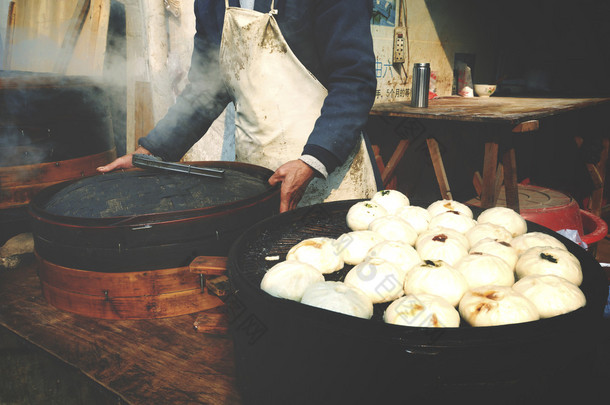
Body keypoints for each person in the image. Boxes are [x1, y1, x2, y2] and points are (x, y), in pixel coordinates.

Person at [98, 0, 381, 212]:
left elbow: (354, 81)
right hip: (261, 183)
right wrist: (151, 152)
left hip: (331, 177)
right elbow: (204, 91)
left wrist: (313, 161)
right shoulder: (211, 5)